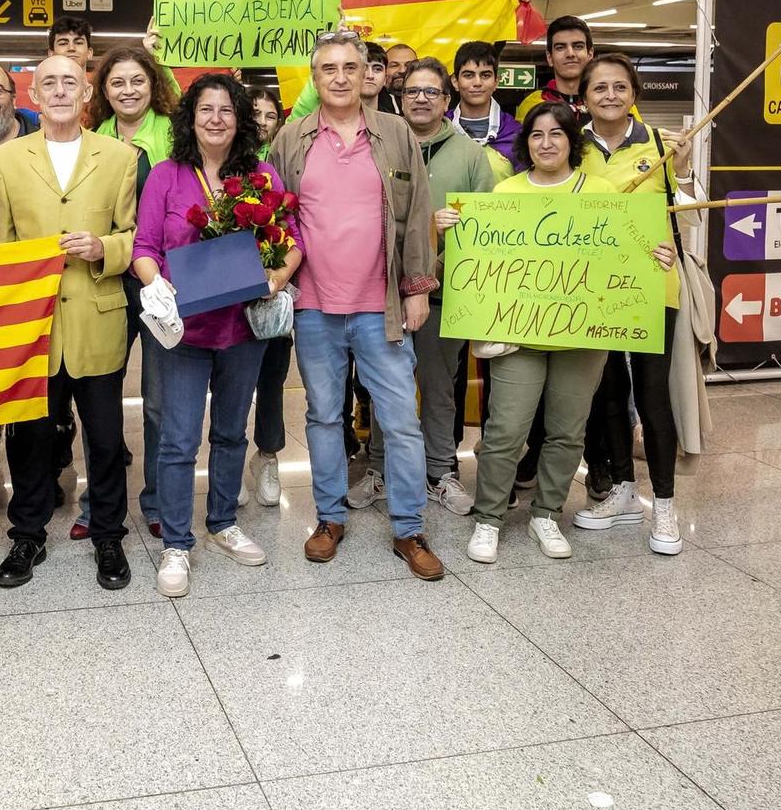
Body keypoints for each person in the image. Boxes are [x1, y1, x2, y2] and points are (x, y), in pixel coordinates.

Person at [465, 104, 675, 564]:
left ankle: (547, 512)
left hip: (583, 337)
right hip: (518, 336)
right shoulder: (506, 191)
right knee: (505, 430)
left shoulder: (600, 192)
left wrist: (657, 257)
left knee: (566, 432)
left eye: (556, 134)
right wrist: (454, 231)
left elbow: (631, 251)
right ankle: (488, 519)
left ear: (570, 141)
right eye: (537, 135)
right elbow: (482, 260)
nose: (546, 143)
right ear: (526, 144)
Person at [268, 31, 444, 581]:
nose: (340, 77)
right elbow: (276, 218)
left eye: (351, 66)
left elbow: (418, 215)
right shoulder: (291, 139)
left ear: (368, 73)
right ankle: (328, 519)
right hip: (314, 307)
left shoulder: (394, 134)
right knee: (322, 416)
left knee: (400, 421)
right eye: (328, 69)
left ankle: (409, 528)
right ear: (314, 78)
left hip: (381, 306)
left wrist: (418, 289)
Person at [134, 74, 301, 596]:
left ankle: (224, 521)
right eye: (205, 109)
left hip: (242, 328)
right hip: (183, 329)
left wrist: (275, 278)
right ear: (190, 117)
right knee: (179, 438)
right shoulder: (166, 175)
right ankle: (177, 544)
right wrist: (154, 282)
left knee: (231, 431)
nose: (216, 119)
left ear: (240, 119)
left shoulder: (262, 175)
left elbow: (293, 241)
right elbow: (144, 245)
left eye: (226, 110)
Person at [0, 55, 137, 593]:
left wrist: (104, 247)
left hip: (98, 318)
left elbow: (134, 236)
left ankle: (109, 534)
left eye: (68, 82)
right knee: (28, 438)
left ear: (86, 93)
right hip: (33, 326)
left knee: (105, 438)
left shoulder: (120, 157)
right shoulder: (5, 161)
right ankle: (26, 532)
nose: (57, 90)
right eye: (46, 82)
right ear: (31, 95)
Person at [356, 58, 496, 517]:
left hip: (444, 294)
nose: (420, 98)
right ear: (399, 97)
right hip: (383, 292)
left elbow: (490, 228)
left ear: (447, 100)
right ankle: (379, 469)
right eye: (412, 91)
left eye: (431, 92)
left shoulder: (470, 155)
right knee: (385, 386)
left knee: (439, 387)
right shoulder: (379, 147)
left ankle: (440, 472)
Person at [573, 54, 687, 557]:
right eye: (601, 87)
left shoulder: (664, 146)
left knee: (653, 395)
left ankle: (664, 504)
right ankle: (622, 490)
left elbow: (687, 208)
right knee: (607, 394)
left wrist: (668, 239)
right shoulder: (573, 147)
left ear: (634, 93)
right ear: (585, 96)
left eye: (621, 86)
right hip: (594, 289)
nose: (611, 95)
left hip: (651, 287)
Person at [82, 44, 175, 539]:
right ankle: (95, 500)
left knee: (159, 400)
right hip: (106, 279)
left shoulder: (174, 131)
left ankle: (157, 500)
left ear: (153, 84)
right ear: (103, 90)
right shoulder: (89, 138)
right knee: (100, 398)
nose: (127, 90)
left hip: (161, 282)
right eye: (117, 82)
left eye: (138, 80)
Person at [241, 87, 292, 507]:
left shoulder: (277, 169)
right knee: (229, 386)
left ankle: (269, 455)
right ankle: (230, 458)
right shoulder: (214, 167)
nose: (260, 121)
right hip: (222, 301)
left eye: (269, 114)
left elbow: (293, 232)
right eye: (252, 113)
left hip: (271, 293)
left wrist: (279, 274)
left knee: (271, 378)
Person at [453, 41, 522, 167]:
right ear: (455, 82)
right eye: (469, 75)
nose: (477, 82)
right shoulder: (441, 128)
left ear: (496, 82)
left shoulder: (516, 133)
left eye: (485, 75)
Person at [516, 15, 597, 122]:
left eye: (578, 46)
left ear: (590, 54)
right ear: (549, 58)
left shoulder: (609, 100)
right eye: (560, 47)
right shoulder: (531, 105)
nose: (570, 54)